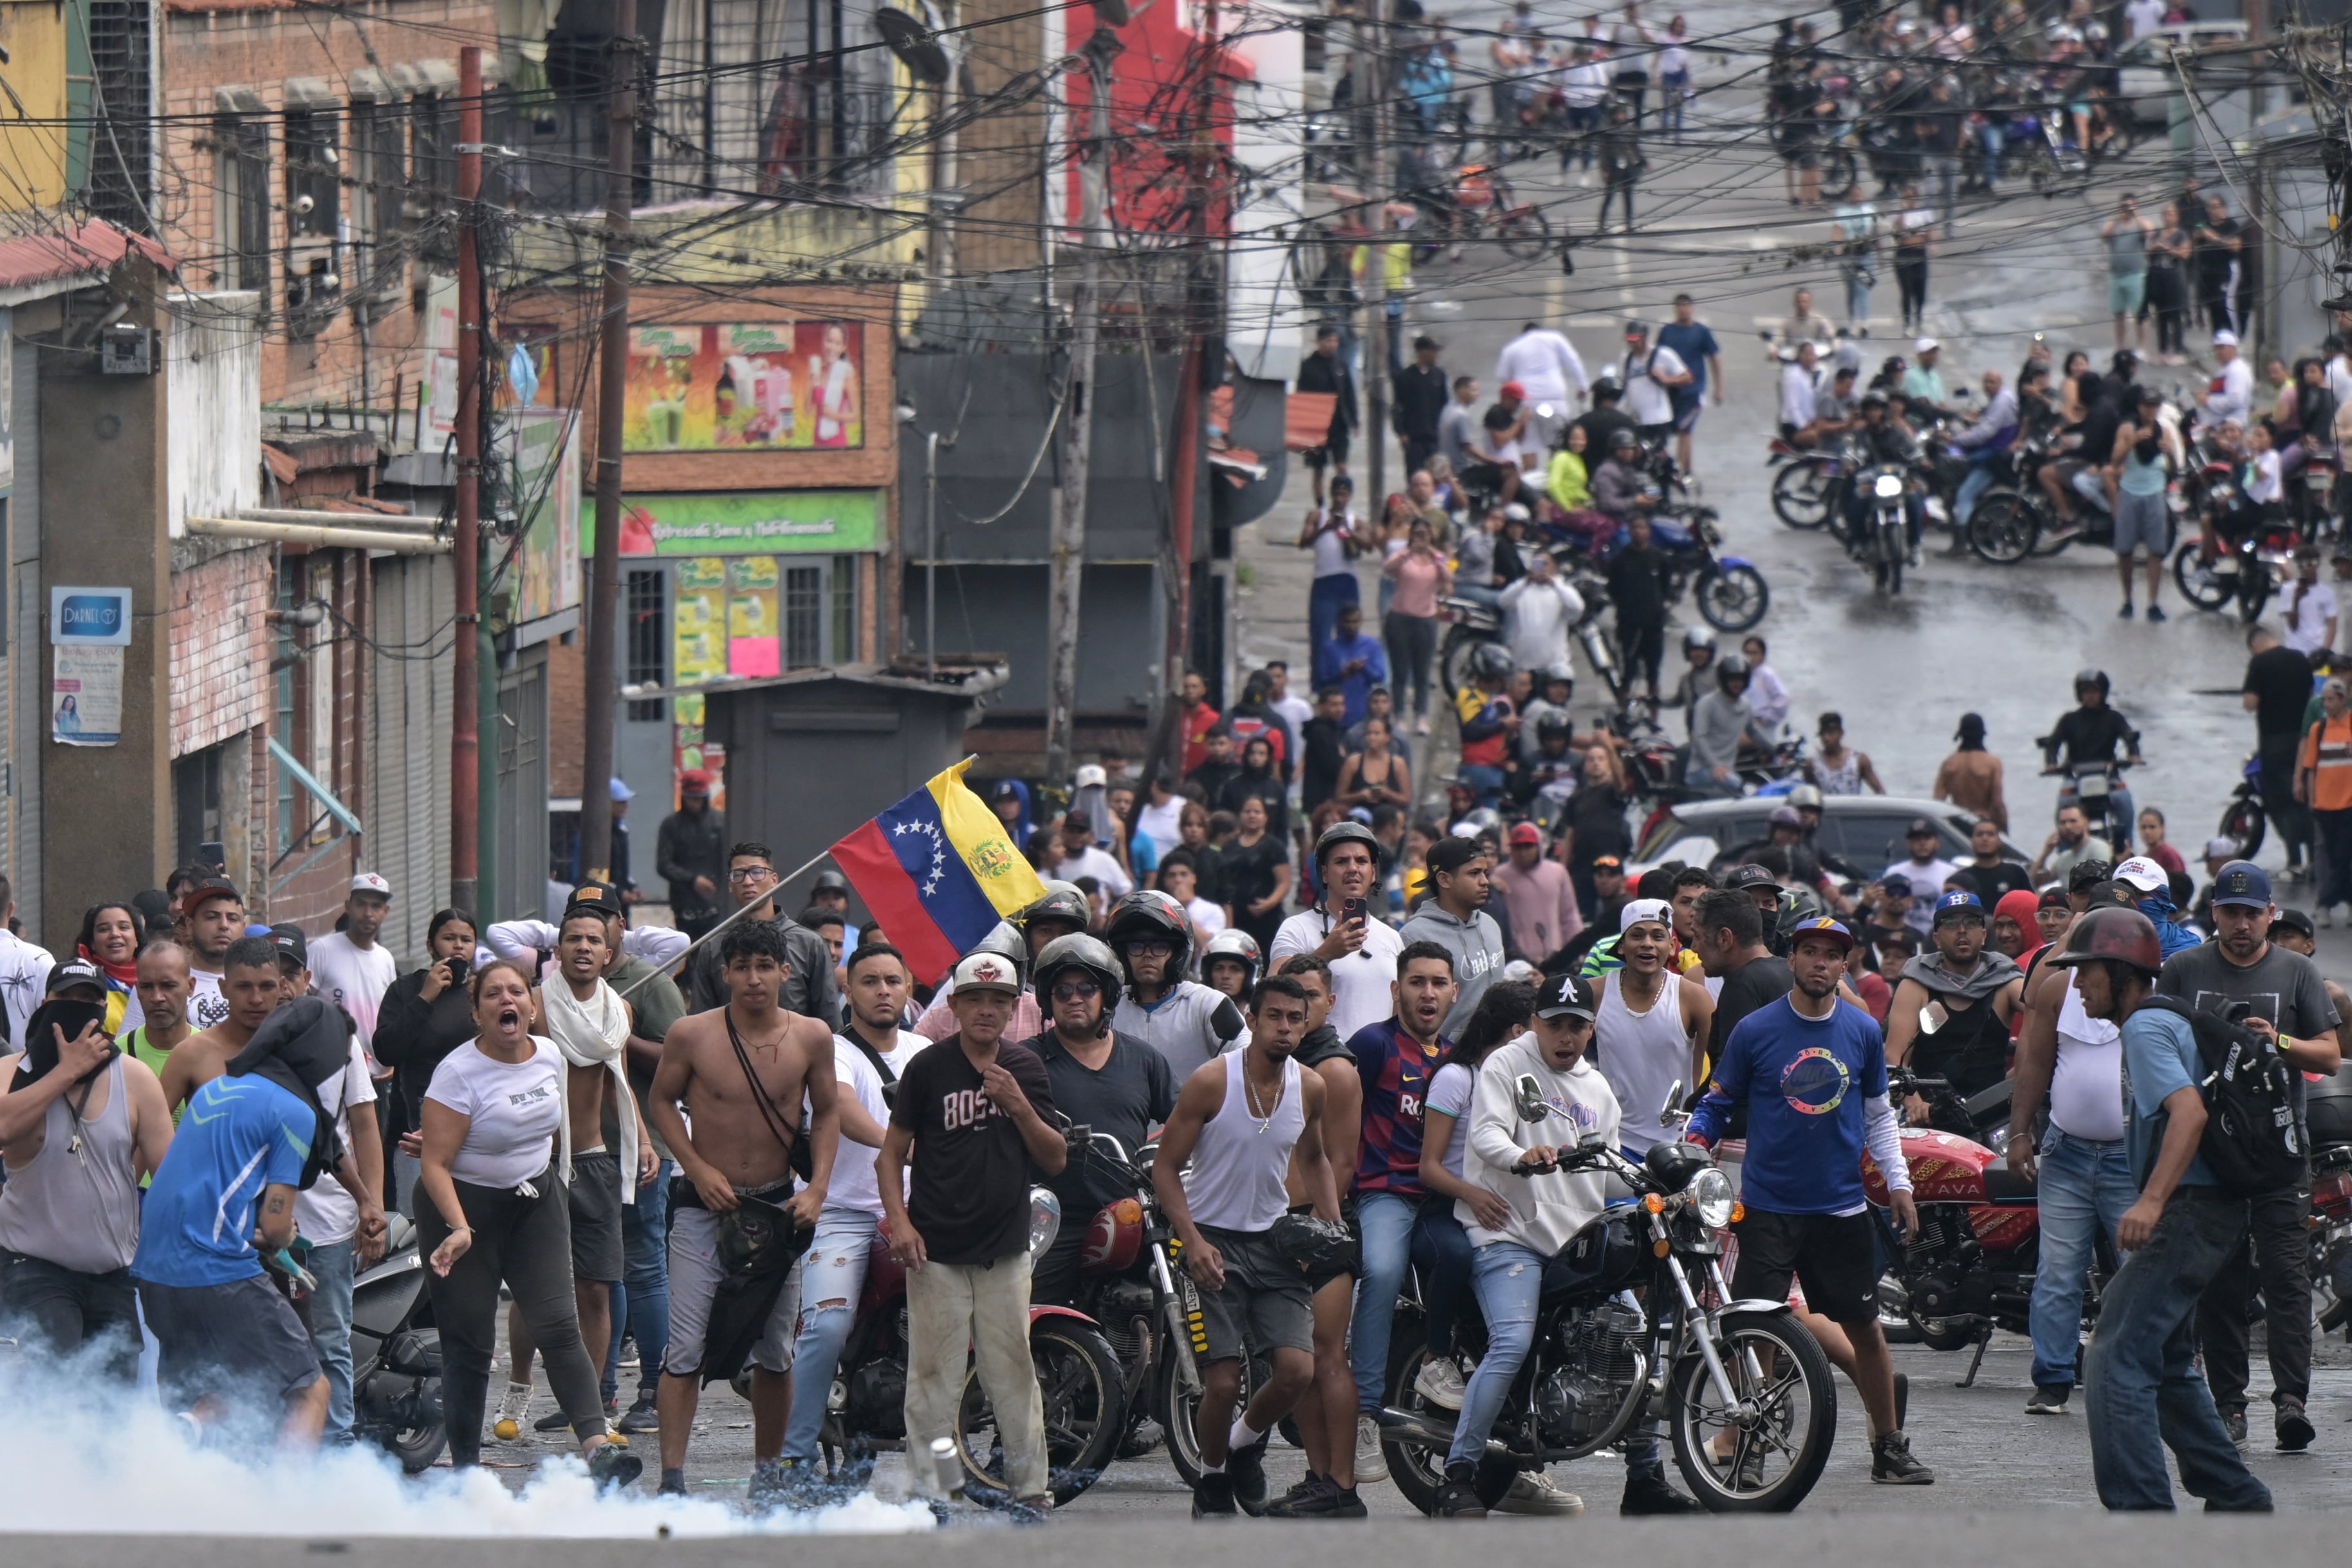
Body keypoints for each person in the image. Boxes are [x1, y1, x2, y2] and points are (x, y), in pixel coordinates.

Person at [1686, 918, 1934, 1486]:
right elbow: (1718, 1100)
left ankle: (1888, 1445)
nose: (1820, 962)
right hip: (1768, 1207)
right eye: (1809, 952)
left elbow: (1878, 1115)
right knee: (1755, 1334)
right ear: (1791, 959)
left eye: (1831, 955)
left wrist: (1898, 1182)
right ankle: (1749, 1447)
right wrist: (1693, 1143)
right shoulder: (1755, 1029)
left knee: (1865, 1327)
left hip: (1840, 1208)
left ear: (1844, 966)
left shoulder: (1862, 1029)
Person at [2060, 909, 2273, 1512]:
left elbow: (2189, 1113)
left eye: (2085, 972)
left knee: (2113, 1354)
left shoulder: (2145, 1028)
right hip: (2209, 1209)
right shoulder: (2163, 1019)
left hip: (2189, 1210)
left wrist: (2150, 1201)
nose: (2077, 986)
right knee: (2169, 1362)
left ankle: (2141, 1518)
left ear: (2122, 971)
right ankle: (2238, 1499)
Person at [412, 959, 640, 1486]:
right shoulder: (458, 1073)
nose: (505, 1000)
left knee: (559, 1325)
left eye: (516, 991)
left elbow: (549, 1132)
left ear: (531, 1008)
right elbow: (434, 1163)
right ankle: (467, 1469)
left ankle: (596, 1447)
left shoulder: (552, 1056)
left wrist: (550, 1183)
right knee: (470, 1344)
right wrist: (459, 1227)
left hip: (534, 1198)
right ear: (477, 1012)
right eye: (492, 994)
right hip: (461, 1209)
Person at [645, 920, 839, 1500]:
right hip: (705, 1208)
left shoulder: (812, 1036)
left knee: (776, 1350)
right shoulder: (691, 1033)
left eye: (765, 965)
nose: (753, 978)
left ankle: (769, 1475)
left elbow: (826, 1112)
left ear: (786, 970)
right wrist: (696, 1167)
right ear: (725, 973)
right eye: (742, 966)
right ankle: (673, 1478)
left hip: (780, 1210)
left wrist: (817, 1188)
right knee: (683, 1348)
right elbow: (659, 1099)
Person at [2160, 863, 2339, 1452]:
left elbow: (2330, 1056)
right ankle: (2228, 1406)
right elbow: (2155, 1040)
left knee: (2288, 1279)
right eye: (2229, 912)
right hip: (2212, 1152)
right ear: (2212, 913)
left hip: (2282, 1150)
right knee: (2221, 1282)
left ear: (2269, 914)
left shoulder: (2297, 971)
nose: (2240, 924)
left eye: (2251, 913)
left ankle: (2291, 1401)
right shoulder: (2184, 969)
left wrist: (2278, 1042)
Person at [877, 948, 1062, 1514]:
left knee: (1013, 1374)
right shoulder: (927, 1068)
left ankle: (1030, 1492)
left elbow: (1055, 1158)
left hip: (1005, 1247)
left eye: (998, 1000)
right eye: (975, 998)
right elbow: (890, 1156)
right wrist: (900, 1223)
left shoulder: (1026, 1068)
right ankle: (933, 1493)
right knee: (934, 1378)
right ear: (953, 1004)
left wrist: (1018, 1105)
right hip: (935, 1247)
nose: (986, 1009)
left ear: (1013, 1008)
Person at [1432, 973, 1622, 1517]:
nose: (1565, 1036)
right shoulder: (1507, 1064)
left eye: (1576, 1026)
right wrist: (1522, 1155)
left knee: (1633, 1340)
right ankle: (1459, 1473)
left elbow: (1610, 1173)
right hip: (1508, 1235)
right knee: (1511, 1344)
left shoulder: (1598, 1089)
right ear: (1535, 1023)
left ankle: (1647, 1475)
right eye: (1555, 1023)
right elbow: (1487, 1134)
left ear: (1590, 1031)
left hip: (1575, 1242)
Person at [1153, 974, 1338, 1517]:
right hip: (1210, 1242)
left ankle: (1239, 1447)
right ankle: (1211, 1481)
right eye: (1274, 1016)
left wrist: (1331, 1230)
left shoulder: (1311, 1086)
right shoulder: (1211, 1081)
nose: (1285, 1026)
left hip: (1274, 1242)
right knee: (1221, 1381)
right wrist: (1191, 1240)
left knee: (1296, 1370)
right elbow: (1166, 1168)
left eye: (1295, 1018)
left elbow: (1314, 1159)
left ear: (1306, 1026)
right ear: (1252, 1019)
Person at [496, 903, 660, 1443]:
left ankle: (591, 1408)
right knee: (533, 1287)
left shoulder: (619, 1012)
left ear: (609, 954)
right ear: (557, 949)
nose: (583, 947)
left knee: (597, 1287)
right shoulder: (535, 1006)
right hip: (538, 1163)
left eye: (594, 939)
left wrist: (644, 1139)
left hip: (595, 1162)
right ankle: (518, 1387)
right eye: (573, 938)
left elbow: (618, 1083)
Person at [0, 969, 173, 1377]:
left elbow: (170, 1174)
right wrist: (65, 1071)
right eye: (67, 999)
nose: (79, 1010)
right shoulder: (9, 1071)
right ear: (45, 1005)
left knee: (113, 1410)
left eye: (89, 1002)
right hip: (34, 1268)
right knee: (50, 1395)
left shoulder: (135, 1078)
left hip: (112, 1276)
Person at [1342, 941, 1458, 1486]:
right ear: (1396, 990)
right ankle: (1364, 1413)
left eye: (1438, 982)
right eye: (1417, 981)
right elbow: (1335, 1113)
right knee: (1383, 1272)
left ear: (1454, 992)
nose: (1427, 992)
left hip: (1441, 1200)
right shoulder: (1372, 1044)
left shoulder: (1457, 1058)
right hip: (1383, 1193)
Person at [2006, 909, 2129, 1415]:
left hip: (2130, 1157)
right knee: (2057, 1270)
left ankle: (2151, 1369)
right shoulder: (2058, 989)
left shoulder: (2143, 995)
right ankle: (2053, 1377)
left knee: (2139, 1269)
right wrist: (2019, 1133)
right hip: (2067, 1150)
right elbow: (2033, 1061)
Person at [373, 909, 480, 1218]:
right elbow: (386, 1051)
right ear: (431, 946)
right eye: (449, 938)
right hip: (414, 1126)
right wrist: (425, 998)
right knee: (417, 1221)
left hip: (474, 1119)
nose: (458, 946)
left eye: (466, 940)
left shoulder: (483, 991)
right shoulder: (406, 989)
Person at [1885, 892, 2024, 1124]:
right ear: (1937, 939)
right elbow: (1894, 1058)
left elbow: (2045, 1012)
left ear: (1983, 935)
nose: (1962, 930)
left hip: (1993, 1113)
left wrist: (2016, 1079)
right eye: (1951, 923)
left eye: (1971, 922)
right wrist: (1916, 1105)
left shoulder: (2005, 981)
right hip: (1930, 1114)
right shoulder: (1915, 984)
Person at [1593, 899, 1712, 1154]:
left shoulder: (1693, 997)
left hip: (1678, 1147)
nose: (1647, 943)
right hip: (1614, 1145)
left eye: (1658, 936)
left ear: (1671, 947)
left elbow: (1725, 1064)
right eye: (1637, 935)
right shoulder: (1596, 992)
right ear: (1622, 946)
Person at [683, 842, 840, 1022]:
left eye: (757, 872)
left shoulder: (810, 944)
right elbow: (700, 1024)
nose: (748, 882)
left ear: (774, 879)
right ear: (729, 885)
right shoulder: (713, 948)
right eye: (738, 875)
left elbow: (831, 1025)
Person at [1402, 836, 1508, 1039]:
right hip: (1444, 1061)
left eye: (1485, 873)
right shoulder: (1415, 935)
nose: (1485, 881)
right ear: (1444, 879)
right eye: (1474, 873)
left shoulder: (1490, 925)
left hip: (1495, 1057)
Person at [307, 874, 398, 1078]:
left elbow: (391, 1017)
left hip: (377, 1077)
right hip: (334, 1073)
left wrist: (393, 1062)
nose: (368, 913)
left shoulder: (385, 959)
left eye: (376, 906)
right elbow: (303, 1007)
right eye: (361, 904)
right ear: (348, 906)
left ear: (386, 911)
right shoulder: (322, 950)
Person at [2245, 625, 2316, 884]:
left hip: (2273, 742)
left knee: (2281, 803)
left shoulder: (2259, 663)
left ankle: (2295, 860)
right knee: (2304, 798)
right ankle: (2315, 860)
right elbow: (2311, 697)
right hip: (2302, 741)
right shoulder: (2300, 658)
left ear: (2255, 645)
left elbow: (2250, 703)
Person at [1381, 519, 1450, 730]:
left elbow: (1448, 578)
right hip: (1400, 618)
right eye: (1417, 534)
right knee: (1400, 670)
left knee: (1422, 671)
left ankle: (1421, 715)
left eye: (1424, 535)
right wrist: (1408, 552)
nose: (1420, 539)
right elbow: (1387, 568)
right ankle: (1399, 714)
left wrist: (1433, 554)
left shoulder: (1436, 558)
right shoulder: (1403, 555)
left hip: (1425, 620)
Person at [122, 937, 195, 1136]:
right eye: (147, 987)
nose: (157, 997)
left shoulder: (211, 1053)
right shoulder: (117, 1057)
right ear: (136, 990)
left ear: (191, 986)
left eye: (168, 986)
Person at [2299, 678, 2352, 926]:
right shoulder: (2318, 730)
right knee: (2327, 856)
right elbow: (2311, 767)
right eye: (2325, 700)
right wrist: (2312, 797)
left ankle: (2335, 902)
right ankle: (2326, 904)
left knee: (2345, 855)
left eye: (2331, 699)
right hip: (2324, 804)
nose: (2327, 704)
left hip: (2348, 803)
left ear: (2343, 699)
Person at [1492, 322, 1590, 452]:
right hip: (1554, 401)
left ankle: (1529, 472)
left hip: (1527, 403)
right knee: (1560, 443)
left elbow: (1503, 377)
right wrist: (1583, 386)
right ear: (1541, 330)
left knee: (1529, 447)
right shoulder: (1555, 338)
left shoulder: (1512, 348)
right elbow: (1573, 361)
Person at [1605, 512, 1670, 703]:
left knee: (1654, 667)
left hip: (1653, 622)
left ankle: (1653, 702)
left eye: (1643, 528)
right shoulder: (1620, 560)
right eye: (1635, 528)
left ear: (1649, 531)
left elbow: (1665, 586)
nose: (1639, 532)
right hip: (1629, 622)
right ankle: (1624, 703)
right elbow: (1613, 588)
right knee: (1628, 665)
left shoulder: (1659, 558)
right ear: (1629, 531)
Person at [1494, 821, 1582, 962]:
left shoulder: (1557, 873)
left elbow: (1569, 915)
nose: (1523, 852)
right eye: (1518, 847)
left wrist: (1577, 950)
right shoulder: (1500, 876)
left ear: (1539, 846)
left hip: (1555, 955)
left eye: (1528, 846)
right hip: (1516, 958)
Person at [656, 771, 728, 941]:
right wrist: (692, 880)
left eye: (699, 798)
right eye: (691, 798)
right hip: (684, 903)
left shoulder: (720, 822)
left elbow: (728, 859)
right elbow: (664, 864)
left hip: (716, 901)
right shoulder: (671, 825)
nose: (695, 803)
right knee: (687, 953)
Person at [1656, 293, 1723, 474]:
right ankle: (1687, 470)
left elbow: (1714, 358)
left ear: (1692, 308)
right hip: (1671, 390)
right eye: (1680, 306)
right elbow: (1657, 359)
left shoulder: (1701, 331)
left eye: (1687, 306)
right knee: (1675, 430)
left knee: (1685, 429)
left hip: (1694, 391)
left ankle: (1679, 471)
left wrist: (1718, 388)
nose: (1684, 309)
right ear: (1675, 309)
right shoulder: (1667, 331)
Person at [1297, 325, 1360, 505]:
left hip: (1339, 425)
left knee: (1342, 466)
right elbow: (1302, 398)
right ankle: (1320, 504)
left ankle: (1343, 499)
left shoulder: (1341, 365)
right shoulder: (1308, 367)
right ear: (1319, 342)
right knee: (1318, 469)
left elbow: (1350, 394)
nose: (1332, 345)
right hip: (1316, 428)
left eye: (1335, 341)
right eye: (1328, 341)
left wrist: (1354, 420)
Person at [1497, 552, 1583, 677]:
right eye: (1537, 564)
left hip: (1554, 665)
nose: (1542, 568)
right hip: (1524, 665)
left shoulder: (1562, 589)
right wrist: (1526, 581)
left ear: (1554, 567)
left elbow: (1577, 607)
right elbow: (1502, 601)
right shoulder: (1522, 588)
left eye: (1546, 564)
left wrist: (1554, 583)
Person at [179, 878, 245, 1031]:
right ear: (190, 925)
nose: (224, 925)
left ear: (243, 928)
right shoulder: (163, 977)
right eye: (211, 917)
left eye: (232, 919)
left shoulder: (259, 981)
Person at [1314, 603, 1389, 732]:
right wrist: (1341, 674)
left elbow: (1380, 677)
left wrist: (1363, 668)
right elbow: (1321, 681)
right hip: (1337, 718)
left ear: (1361, 621)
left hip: (1362, 715)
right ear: (1341, 622)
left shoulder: (1371, 645)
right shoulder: (1330, 648)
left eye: (1355, 622)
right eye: (1347, 622)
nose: (1351, 626)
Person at [1933, 713, 2007, 829]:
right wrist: (2003, 831)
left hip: (1958, 823)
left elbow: (1937, 803)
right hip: (1983, 824)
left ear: (1961, 735)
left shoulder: (1948, 763)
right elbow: (1997, 804)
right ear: (1982, 735)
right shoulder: (1992, 763)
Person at [1395, 337, 1451, 475]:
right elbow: (1398, 407)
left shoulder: (1439, 375)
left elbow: (1445, 405)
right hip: (1414, 438)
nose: (1436, 355)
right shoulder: (1405, 377)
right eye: (1433, 351)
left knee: (1436, 475)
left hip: (1434, 437)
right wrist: (1401, 432)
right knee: (1415, 475)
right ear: (1423, 352)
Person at [2104, 196, 2153, 353]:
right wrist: (2117, 218)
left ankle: (2141, 347)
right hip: (2116, 274)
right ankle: (2120, 346)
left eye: (2130, 206)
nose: (2127, 210)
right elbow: (2105, 235)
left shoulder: (2140, 224)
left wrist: (2135, 216)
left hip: (2135, 274)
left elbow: (2149, 231)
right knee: (2119, 313)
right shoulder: (2115, 225)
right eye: (2124, 206)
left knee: (2139, 312)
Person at [1808, 711, 1884, 795]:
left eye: (1831, 733)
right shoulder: (1813, 764)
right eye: (1823, 734)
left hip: (1851, 807)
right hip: (1825, 808)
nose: (1826, 738)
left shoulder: (1859, 760)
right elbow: (1807, 796)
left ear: (1841, 733)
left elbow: (1880, 792)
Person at [2283, 546, 2338, 659]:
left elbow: (2332, 625)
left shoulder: (2327, 593)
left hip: (2318, 650)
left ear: (2317, 564)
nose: (2305, 569)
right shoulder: (2288, 590)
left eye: (2310, 564)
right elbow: (2292, 626)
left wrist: (2325, 650)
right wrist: (2296, 600)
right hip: (2295, 650)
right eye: (2301, 565)